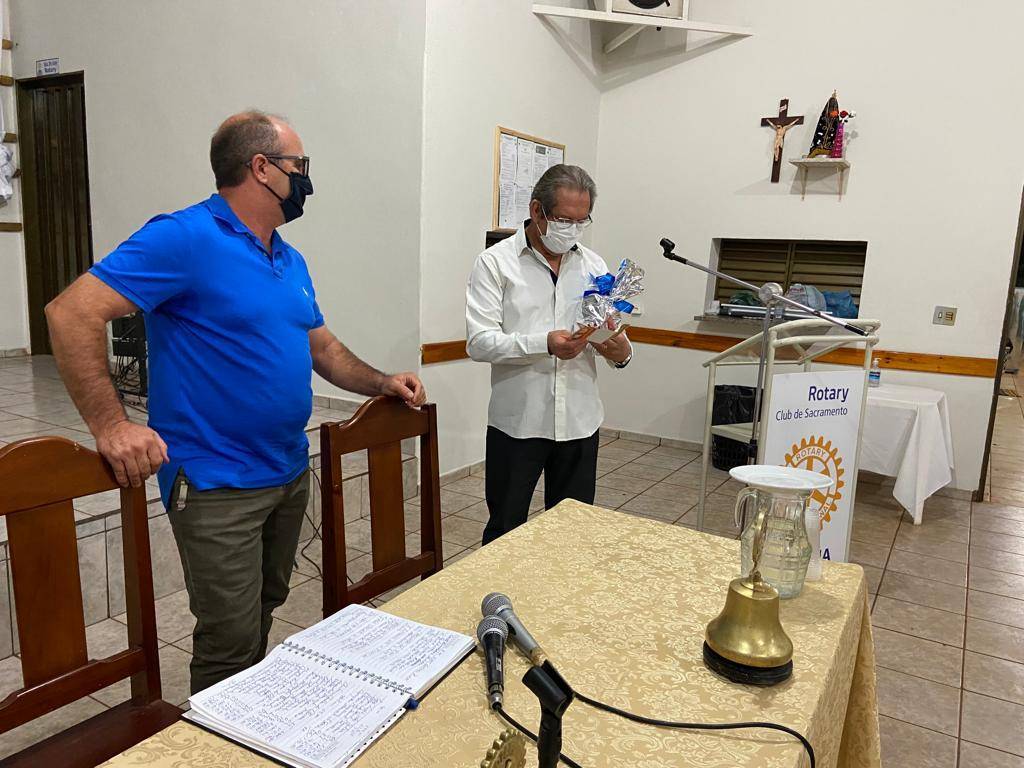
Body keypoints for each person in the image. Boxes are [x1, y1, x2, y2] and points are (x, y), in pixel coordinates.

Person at [44, 110, 426, 693]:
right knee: (228, 640)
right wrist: (112, 426)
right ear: (262, 168)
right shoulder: (185, 237)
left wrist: (380, 381)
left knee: (264, 609)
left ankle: (248, 715)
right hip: (216, 481)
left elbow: (321, 346)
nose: (306, 178)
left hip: (286, 471)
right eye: (300, 165)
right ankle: (216, 733)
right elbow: (71, 312)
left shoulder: (288, 258)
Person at [466, 164, 632, 545]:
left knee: (571, 537)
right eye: (563, 220)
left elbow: (611, 331)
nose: (572, 229)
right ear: (536, 210)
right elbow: (479, 342)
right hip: (518, 424)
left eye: (581, 221)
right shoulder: (496, 263)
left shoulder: (593, 265)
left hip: (579, 422)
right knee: (505, 533)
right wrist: (544, 343)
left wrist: (621, 350)